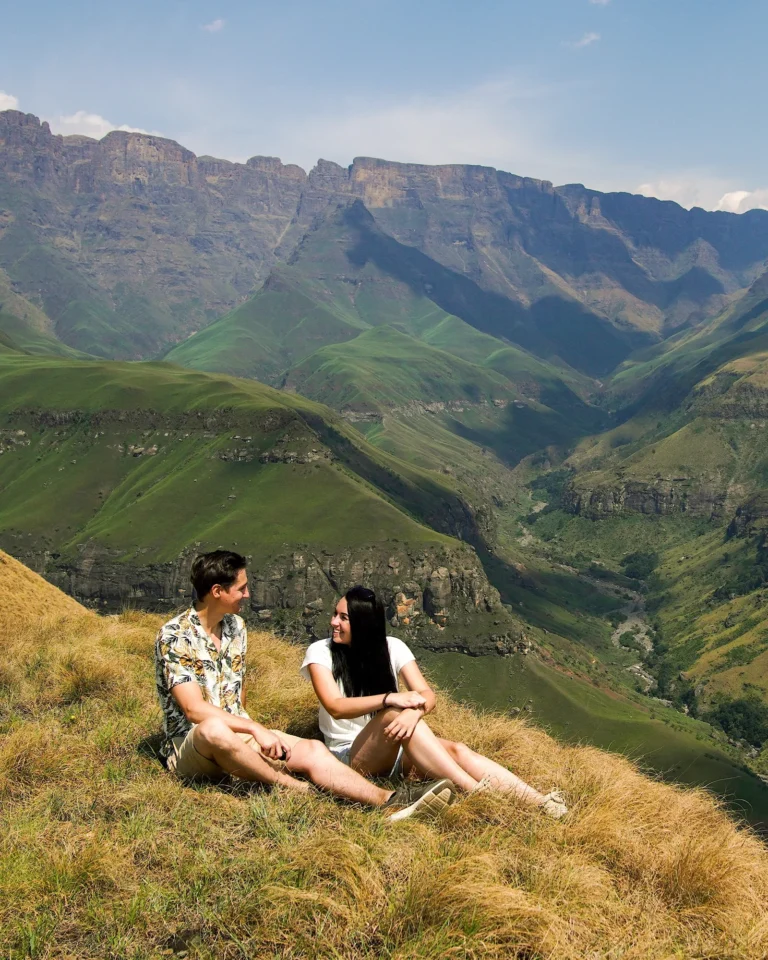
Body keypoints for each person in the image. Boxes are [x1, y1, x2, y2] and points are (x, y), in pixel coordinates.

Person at [154, 551, 457, 822]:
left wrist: (248, 727)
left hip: (238, 734)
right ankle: (296, 789)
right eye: (241, 588)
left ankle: (389, 801)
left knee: (311, 748)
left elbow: (237, 688)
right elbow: (194, 710)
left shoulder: (236, 628)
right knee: (215, 730)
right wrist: (256, 730)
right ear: (217, 591)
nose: (248, 595)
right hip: (190, 745)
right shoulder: (175, 635)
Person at [301, 585, 568, 818]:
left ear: (363, 624)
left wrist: (413, 714)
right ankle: (476, 792)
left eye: (343, 617)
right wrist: (390, 699)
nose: (334, 622)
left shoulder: (392, 647)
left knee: (457, 750)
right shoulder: (320, 652)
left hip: (393, 750)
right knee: (396, 713)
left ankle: (539, 802)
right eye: (335, 614)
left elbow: (428, 695)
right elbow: (334, 706)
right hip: (349, 757)